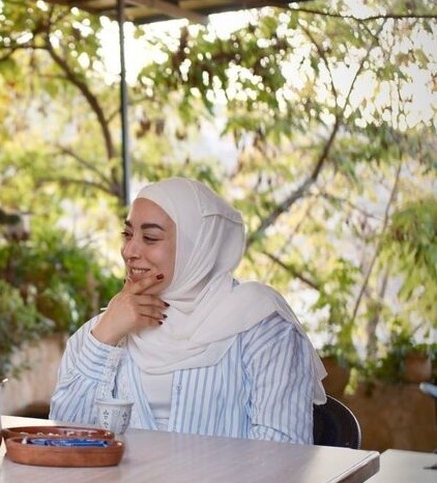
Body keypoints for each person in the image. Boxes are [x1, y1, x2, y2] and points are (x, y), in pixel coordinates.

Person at [49, 177, 326, 444]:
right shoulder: (102, 330)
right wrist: (105, 335)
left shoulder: (260, 324)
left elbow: (284, 451)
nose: (129, 251)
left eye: (150, 238)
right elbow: (64, 439)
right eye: (128, 234)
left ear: (198, 246)